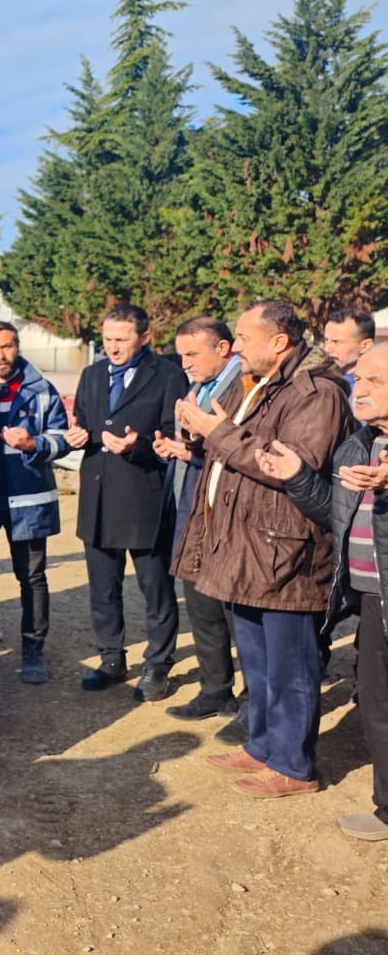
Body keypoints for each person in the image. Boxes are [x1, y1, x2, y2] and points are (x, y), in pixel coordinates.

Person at [175, 299, 352, 798]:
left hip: (286, 554)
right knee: (256, 660)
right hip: (244, 547)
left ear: (279, 341)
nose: (236, 347)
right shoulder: (253, 382)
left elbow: (287, 464)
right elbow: (226, 436)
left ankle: (294, 766)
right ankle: (262, 745)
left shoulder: (317, 393)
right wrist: (196, 433)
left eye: (244, 338)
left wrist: (217, 432)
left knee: (290, 667)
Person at [263, 342, 388, 834]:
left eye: (376, 381)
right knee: (376, 702)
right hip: (371, 597)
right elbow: (332, 512)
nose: (361, 390)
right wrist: (297, 476)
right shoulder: (358, 444)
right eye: (360, 379)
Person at [65, 303, 188, 700]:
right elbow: (84, 421)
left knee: (156, 588)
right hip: (98, 496)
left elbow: (174, 436)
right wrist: (79, 436)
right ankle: (111, 658)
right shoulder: (92, 374)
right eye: (107, 339)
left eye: (121, 339)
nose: (112, 347)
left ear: (144, 337)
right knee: (103, 587)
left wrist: (140, 446)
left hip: (143, 496)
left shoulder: (168, 375)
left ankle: (158, 665)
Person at [0, 320, 69, 684]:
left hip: (28, 499)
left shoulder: (40, 389)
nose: (2, 355)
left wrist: (33, 444)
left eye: (8, 346)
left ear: (17, 346)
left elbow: (63, 438)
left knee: (31, 577)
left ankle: (33, 651)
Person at [155, 318, 246, 729]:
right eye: (182, 355)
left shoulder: (242, 386)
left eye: (192, 354)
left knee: (236, 614)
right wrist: (181, 446)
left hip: (228, 516)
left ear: (222, 348)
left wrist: (195, 445)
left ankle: (254, 701)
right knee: (201, 604)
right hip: (194, 511)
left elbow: (245, 448)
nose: (185, 363)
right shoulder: (199, 387)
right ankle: (215, 689)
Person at [323, 307, 376, 387]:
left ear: (365, 346)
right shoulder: (319, 379)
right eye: (326, 340)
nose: (327, 349)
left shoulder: (371, 388)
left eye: (336, 342)